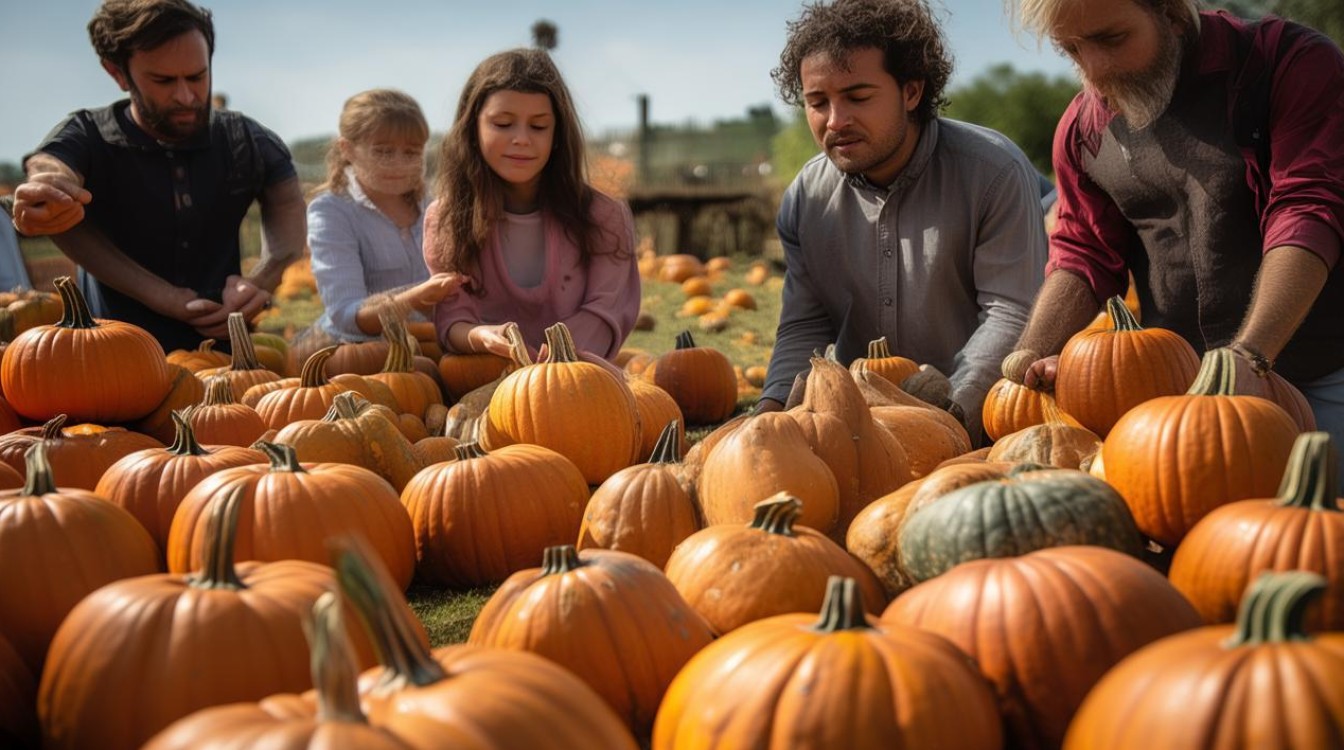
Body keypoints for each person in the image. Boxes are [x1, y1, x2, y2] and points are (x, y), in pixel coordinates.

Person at [1005, 0, 1344, 464]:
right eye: (1071, 50)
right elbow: (1083, 253)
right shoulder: (1082, 130)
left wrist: (1249, 357)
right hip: (1178, 397)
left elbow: (1306, 208)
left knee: (1315, 529)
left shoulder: (1287, 63)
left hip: (1322, 372)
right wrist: (1029, 355)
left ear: (1173, 15)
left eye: (1111, 40)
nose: (1094, 70)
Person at [757, 0, 1049, 445]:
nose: (835, 121)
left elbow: (1011, 313)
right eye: (818, 102)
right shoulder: (805, 198)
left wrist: (948, 414)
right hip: (864, 431)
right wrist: (769, 415)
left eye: (857, 97)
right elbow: (806, 325)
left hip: (984, 426)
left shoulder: (992, 172)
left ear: (911, 92)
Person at [10, 0, 305, 351]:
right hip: (108, 363)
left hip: (224, 365)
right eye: (163, 81)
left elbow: (288, 206)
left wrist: (261, 281)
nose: (186, 96)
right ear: (117, 73)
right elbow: (51, 165)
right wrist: (49, 185)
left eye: (197, 76)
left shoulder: (246, 140)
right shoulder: (88, 135)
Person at [423, 48, 640, 362]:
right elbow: (452, 320)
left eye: (538, 127)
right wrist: (480, 336)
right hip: (485, 382)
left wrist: (545, 368)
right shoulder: (445, 220)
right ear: (473, 129)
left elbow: (605, 313)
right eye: (502, 124)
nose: (521, 139)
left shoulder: (605, 218)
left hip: (577, 380)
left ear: (557, 135)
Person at [305, 89, 463, 346]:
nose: (398, 163)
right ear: (348, 149)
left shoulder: (434, 207)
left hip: (432, 348)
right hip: (359, 355)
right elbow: (346, 316)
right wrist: (417, 297)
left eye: (410, 153)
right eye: (383, 152)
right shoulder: (331, 212)